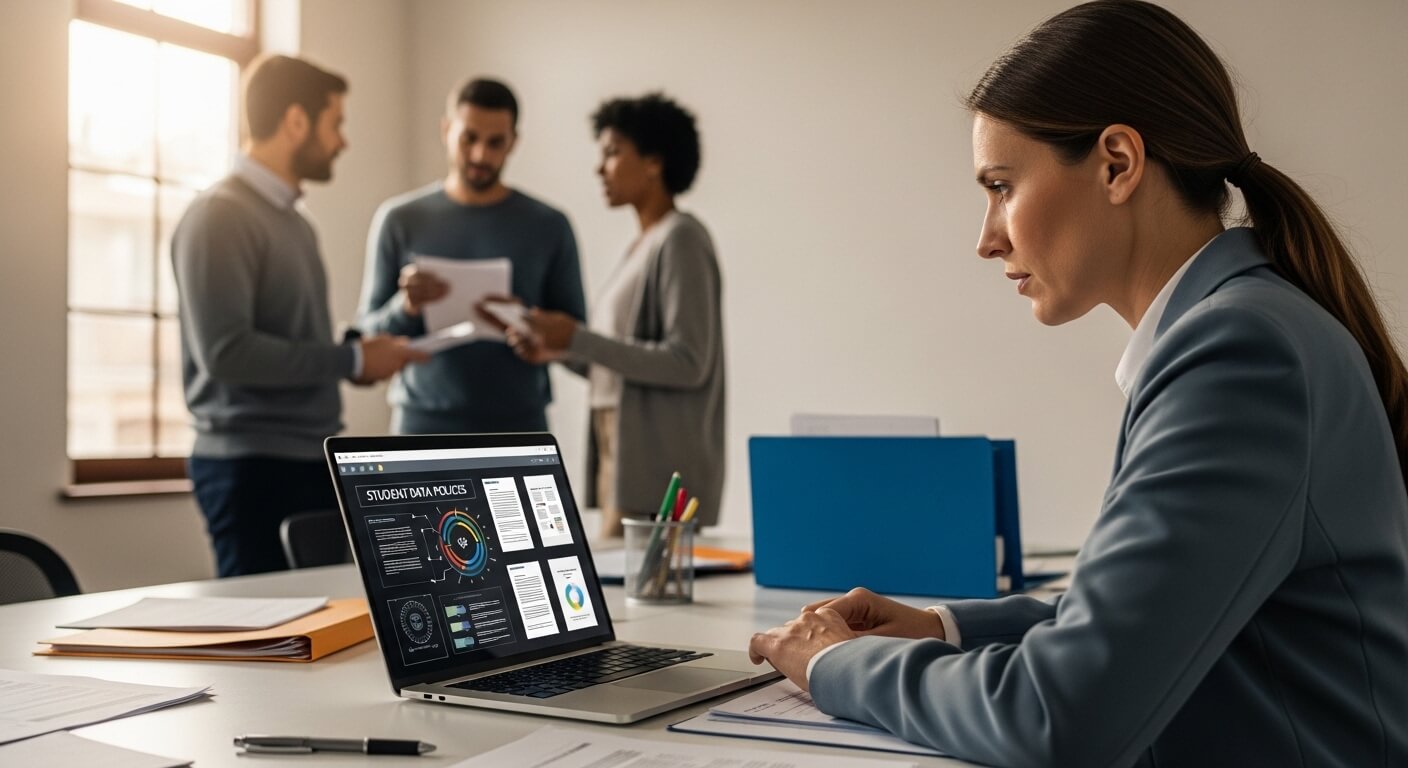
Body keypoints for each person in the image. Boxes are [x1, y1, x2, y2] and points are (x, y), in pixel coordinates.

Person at [746, 2, 1408, 765]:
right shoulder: (1247, 325)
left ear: (1117, 163)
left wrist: (833, 663)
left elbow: (1061, 717)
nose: (986, 238)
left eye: (1001, 185)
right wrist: (942, 629)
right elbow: (1157, 613)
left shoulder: (1241, 352)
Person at [173, 54, 425, 578]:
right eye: (336, 123)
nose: (342, 141)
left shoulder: (296, 224)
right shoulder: (219, 217)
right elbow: (227, 354)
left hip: (308, 461)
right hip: (251, 469)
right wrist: (349, 357)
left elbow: (291, 342)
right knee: (262, 644)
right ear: (295, 122)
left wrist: (360, 357)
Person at [494, 93, 724, 537]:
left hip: (656, 476)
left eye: (613, 153)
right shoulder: (640, 245)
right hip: (620, 461)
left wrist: (576, 337)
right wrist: (557, 349)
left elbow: (688, 362)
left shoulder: (681, 239)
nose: (600, 169)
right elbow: (620, 363)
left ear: (654, 162)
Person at [357, 78, 586, 434]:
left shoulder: (549, 226)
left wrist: (529, 328)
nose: (481, 155)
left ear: (514, 142)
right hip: (422, 424)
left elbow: (577, 339)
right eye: (469, 138)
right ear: (447, 130)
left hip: (519, 427)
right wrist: (407, 306)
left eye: (495, 143)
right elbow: (367, 334)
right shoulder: (399, 219)